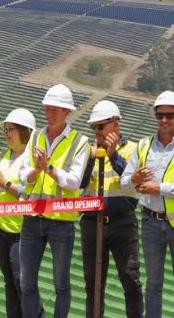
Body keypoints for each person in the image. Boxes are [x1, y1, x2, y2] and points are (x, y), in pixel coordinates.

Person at [18, 84, 90, 318]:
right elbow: (22, 175)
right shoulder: (36, 136)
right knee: (26, 282)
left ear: (67, 111)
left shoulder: (80, 141)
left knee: (61, 284)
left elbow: (74, 182)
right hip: (31, 217)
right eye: (47, 109)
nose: (50, 114)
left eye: (55, 110)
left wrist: (48, 168)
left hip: (61, 221)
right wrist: (36, 171)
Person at [79, 100, 142, 318]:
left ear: (115, 124)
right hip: (90, 224)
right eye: (93, 127)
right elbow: (79, 183)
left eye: (100, 126)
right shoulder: (88, 151)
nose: (95, 131)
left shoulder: (133, 148)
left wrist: (114, 155)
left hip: (122, 223)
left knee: (131, 282)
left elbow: (133, 181)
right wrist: (91, 158)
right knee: (93, 285)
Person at [121, 90, 174, 318]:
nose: (164, 120)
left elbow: (158, 187)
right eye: (160, 114)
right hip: (150, 221)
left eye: (170, 115)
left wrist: (158, 188)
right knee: (153, 283)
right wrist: (134, 179)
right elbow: (125, 183)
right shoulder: (143, 146)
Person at [0, 109, 36, 318]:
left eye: (10, 129)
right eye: (5, 129)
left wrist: (4, 183)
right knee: (10, 283)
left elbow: (31, 193)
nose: (6, 132)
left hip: (22, 232)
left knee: (23, 284)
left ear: (24, 131)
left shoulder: (31, 161)